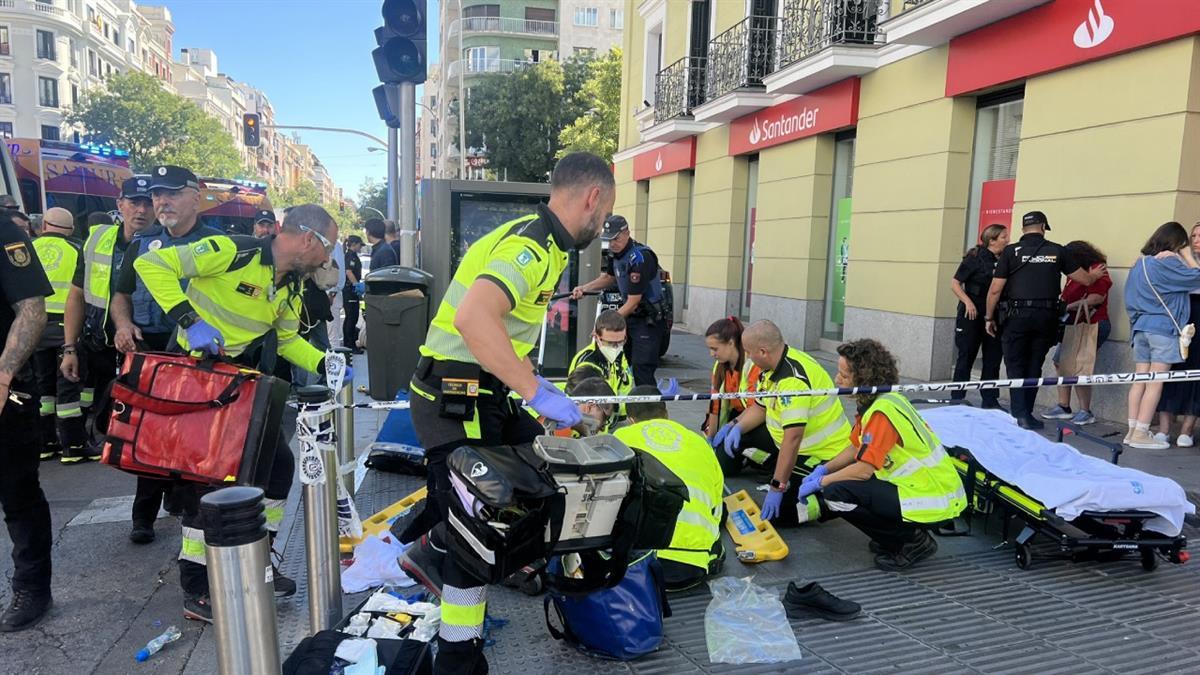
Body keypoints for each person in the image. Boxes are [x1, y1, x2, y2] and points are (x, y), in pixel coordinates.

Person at [400, 152, 611, 674]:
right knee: (477, 526)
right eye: (605, 215)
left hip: (480, 392)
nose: (602, 225)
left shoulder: (545, 241)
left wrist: (536, 394)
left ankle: (432, 542)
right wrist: (539, 395)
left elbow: (505, 335)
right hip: (458, 397)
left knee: (539, 471)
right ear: (593, 199)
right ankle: (458, 656)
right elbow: (475, 318)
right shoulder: (532, 247)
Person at [135, 190, 340, 623]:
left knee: (278, 469)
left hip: (242, 385)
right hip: (200, 379)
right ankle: (198, 588)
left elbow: (286, 339)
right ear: (307, 238)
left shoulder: (289, 285)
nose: (327, 259)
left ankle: (256, 561)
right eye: (328, 247)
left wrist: (325, 363)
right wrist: (192, 322)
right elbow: (151, 264)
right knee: (209, 486)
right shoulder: (233, 251)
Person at [110, 167, 222, 543]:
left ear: (196, 196)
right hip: (150, 353)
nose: (161, 202)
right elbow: (120, 294)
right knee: (149, 436)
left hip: (198, 360)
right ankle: (143, 516)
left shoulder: (220, 244)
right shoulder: (142, 243)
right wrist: (123, 325)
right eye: (158, 194)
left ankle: (191, 516)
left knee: (193, 443)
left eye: (171, 193)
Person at [794, 339, 966, 571]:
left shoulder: (880, 413)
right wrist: (824, 468)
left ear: (864, 378)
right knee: (842, 483)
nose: (837, 379)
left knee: (836, 493)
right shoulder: (880, 402)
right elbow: (856, 448)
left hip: (929, 496)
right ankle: (896, 535)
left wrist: (823, 481)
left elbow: (864, 470)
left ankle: (912, 541)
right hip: (924, 487)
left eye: (844, 375)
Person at [717, 320, 851, 523]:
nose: (748, 358)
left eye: (749, 352)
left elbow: (793, 438)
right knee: (736, 442)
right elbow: (760, 408)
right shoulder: (774, 366)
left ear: (762, 351)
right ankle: (776, 467)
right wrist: (734, 426)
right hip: (793, 443)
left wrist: (777, 486)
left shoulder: (792, 382)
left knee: (779, 513)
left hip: (821, 454)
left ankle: (828, 504)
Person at [60, 177, 155, 460]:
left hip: (145, 346)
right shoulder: (98, 239)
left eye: (148, 203)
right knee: (97, 404)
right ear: (120, 205)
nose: (141, 210)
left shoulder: (165, 243)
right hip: (99, 343)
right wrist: (69, 347)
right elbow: (76, 295)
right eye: (134, 202)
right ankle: (98, 439)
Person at [985, 211, 1103, 429]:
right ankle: (1027, 414)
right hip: (1045, 317)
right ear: (1043, 227)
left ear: (1023, 230)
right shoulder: (1057, 250)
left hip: (1015, 316)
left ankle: (1019, 414)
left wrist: (989, 317)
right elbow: (1084, 279)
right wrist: (1094, 276)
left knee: (1015, 365)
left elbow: (995, 290)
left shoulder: (1010, 252)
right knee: (1034, 365)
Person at [613, 384, 724, 592]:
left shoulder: (620, 438)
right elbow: (718, 508)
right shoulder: (699, 442)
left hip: (637, 565)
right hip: (694, 566)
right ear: (666, 412)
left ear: (630, 418)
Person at [0, 209, 54, 632]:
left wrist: (3, 376)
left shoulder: (3, 230)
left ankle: (32, 587)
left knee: (17, 493)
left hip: (6, 390)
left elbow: (32, 308)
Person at [1123, 222, 1200, 449]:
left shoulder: (1141, 264)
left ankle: (1130, 431)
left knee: (1139, 381)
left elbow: (1130, 297)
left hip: (1141, 327)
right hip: (1163, 329)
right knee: (1156, 383)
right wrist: (1185, 255)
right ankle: (1141, 432)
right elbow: (1197, 276)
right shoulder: (1169, 263)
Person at [570, 215, 667, 387]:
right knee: (621, 365)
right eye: (609, 239)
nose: (612, 243)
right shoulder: (616, 254)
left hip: (648, 321)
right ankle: (626, 409)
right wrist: (585, 288)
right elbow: (609, 277)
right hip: (631, 318)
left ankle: (651, 410)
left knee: (641, 370)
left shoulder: (640, 258)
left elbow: (633, 302)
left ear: (627, 233)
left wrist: (606, 325)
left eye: (616, 238)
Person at [29, 207, 91, 463]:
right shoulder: (77, 250)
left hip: (32, 328)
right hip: (65, 327)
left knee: (43, 388)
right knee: (69, 387)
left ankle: (46, 444)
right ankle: (74, 446)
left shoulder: (27, 248)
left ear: (43, 225)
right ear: (72, 230)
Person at [1042, 240, 1112, 426]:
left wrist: (1066, 307)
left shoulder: (1097, 269)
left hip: (1091, 324)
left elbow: (1097, 297)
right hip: (1073, 324)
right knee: (1060, 362)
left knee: (1080, 366)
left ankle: (1085, 410)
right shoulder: (1075, 273)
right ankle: (1064, 406)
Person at [950, 224, 1008, 409]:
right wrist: (967, 302)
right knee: (966, 357)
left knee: (992, 359)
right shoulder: (974, 258)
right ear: (991, 240)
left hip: (994, 315)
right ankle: (957, 398)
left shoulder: (1004, 260)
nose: (1007, 240)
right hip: (971, 316)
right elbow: (955, 283)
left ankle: (990, 399)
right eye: (1003, 237)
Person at [702, 316, 767, 475]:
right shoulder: (720, 367)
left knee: (729, 457)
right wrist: (710, 439)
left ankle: (766, 460)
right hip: (737, 416)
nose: (712, 354)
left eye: (715, 349)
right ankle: (744, 455)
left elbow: (756, 407)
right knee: (722, 466)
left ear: (731, 342)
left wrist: (731, 426)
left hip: (757, 417)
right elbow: (715, 406)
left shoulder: (752, 365)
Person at [1156, 222, 1200, 447]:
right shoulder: (1177, 260)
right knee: (1172, 369)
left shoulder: (1190, 262)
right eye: (1193, 235)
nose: (1195, 240)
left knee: (1195, 374)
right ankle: (1164, 429)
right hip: (1180, 318)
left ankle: (1187, 430)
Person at [567, 309, 633, 423]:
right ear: (596, 337)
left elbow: (625, 388)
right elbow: (587, 409)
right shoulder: (587, 363)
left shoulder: (619, 355)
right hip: (592, 425)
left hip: (613, 419)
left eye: (621, 342)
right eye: (610, 343)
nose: (616, 347)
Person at [343, 235, 364, 352]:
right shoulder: (350, 256)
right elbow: (349, 272)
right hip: (350, 290)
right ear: (354, 244)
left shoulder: (352, 255)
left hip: (351, 290)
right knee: (352, 317)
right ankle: (350, 345)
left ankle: (348, 343)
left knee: (350, 318)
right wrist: (356, 284)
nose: (360, 247)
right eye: (360, 245)